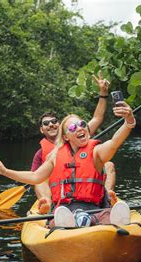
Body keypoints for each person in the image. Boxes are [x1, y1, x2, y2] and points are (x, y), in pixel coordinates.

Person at [0, 101, 136, 227]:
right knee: (60, 219)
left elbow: (115, 142)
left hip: (94, 208)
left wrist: (128, 121)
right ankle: (76, 222)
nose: (79, 128)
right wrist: (5, 171)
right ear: (66, 136)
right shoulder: (55, 155)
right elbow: (35, 177)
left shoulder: (96, 152)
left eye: (82, 124)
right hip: (65, 209)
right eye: (72, 128)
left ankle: (104, 221)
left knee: (104, 216)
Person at [32, 72, 116, 214]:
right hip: (58, 190)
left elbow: (97, 118)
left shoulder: (77, 131)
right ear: (42, 129)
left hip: (85, 189)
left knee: (108, 164)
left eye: (54, 121)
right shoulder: (41, 153)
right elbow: (35, 177)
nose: (51, 125)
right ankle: (46, 203)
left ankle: (108, 196)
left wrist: (103, 94)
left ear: (60, 126)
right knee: (40, 180)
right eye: (46, 123)